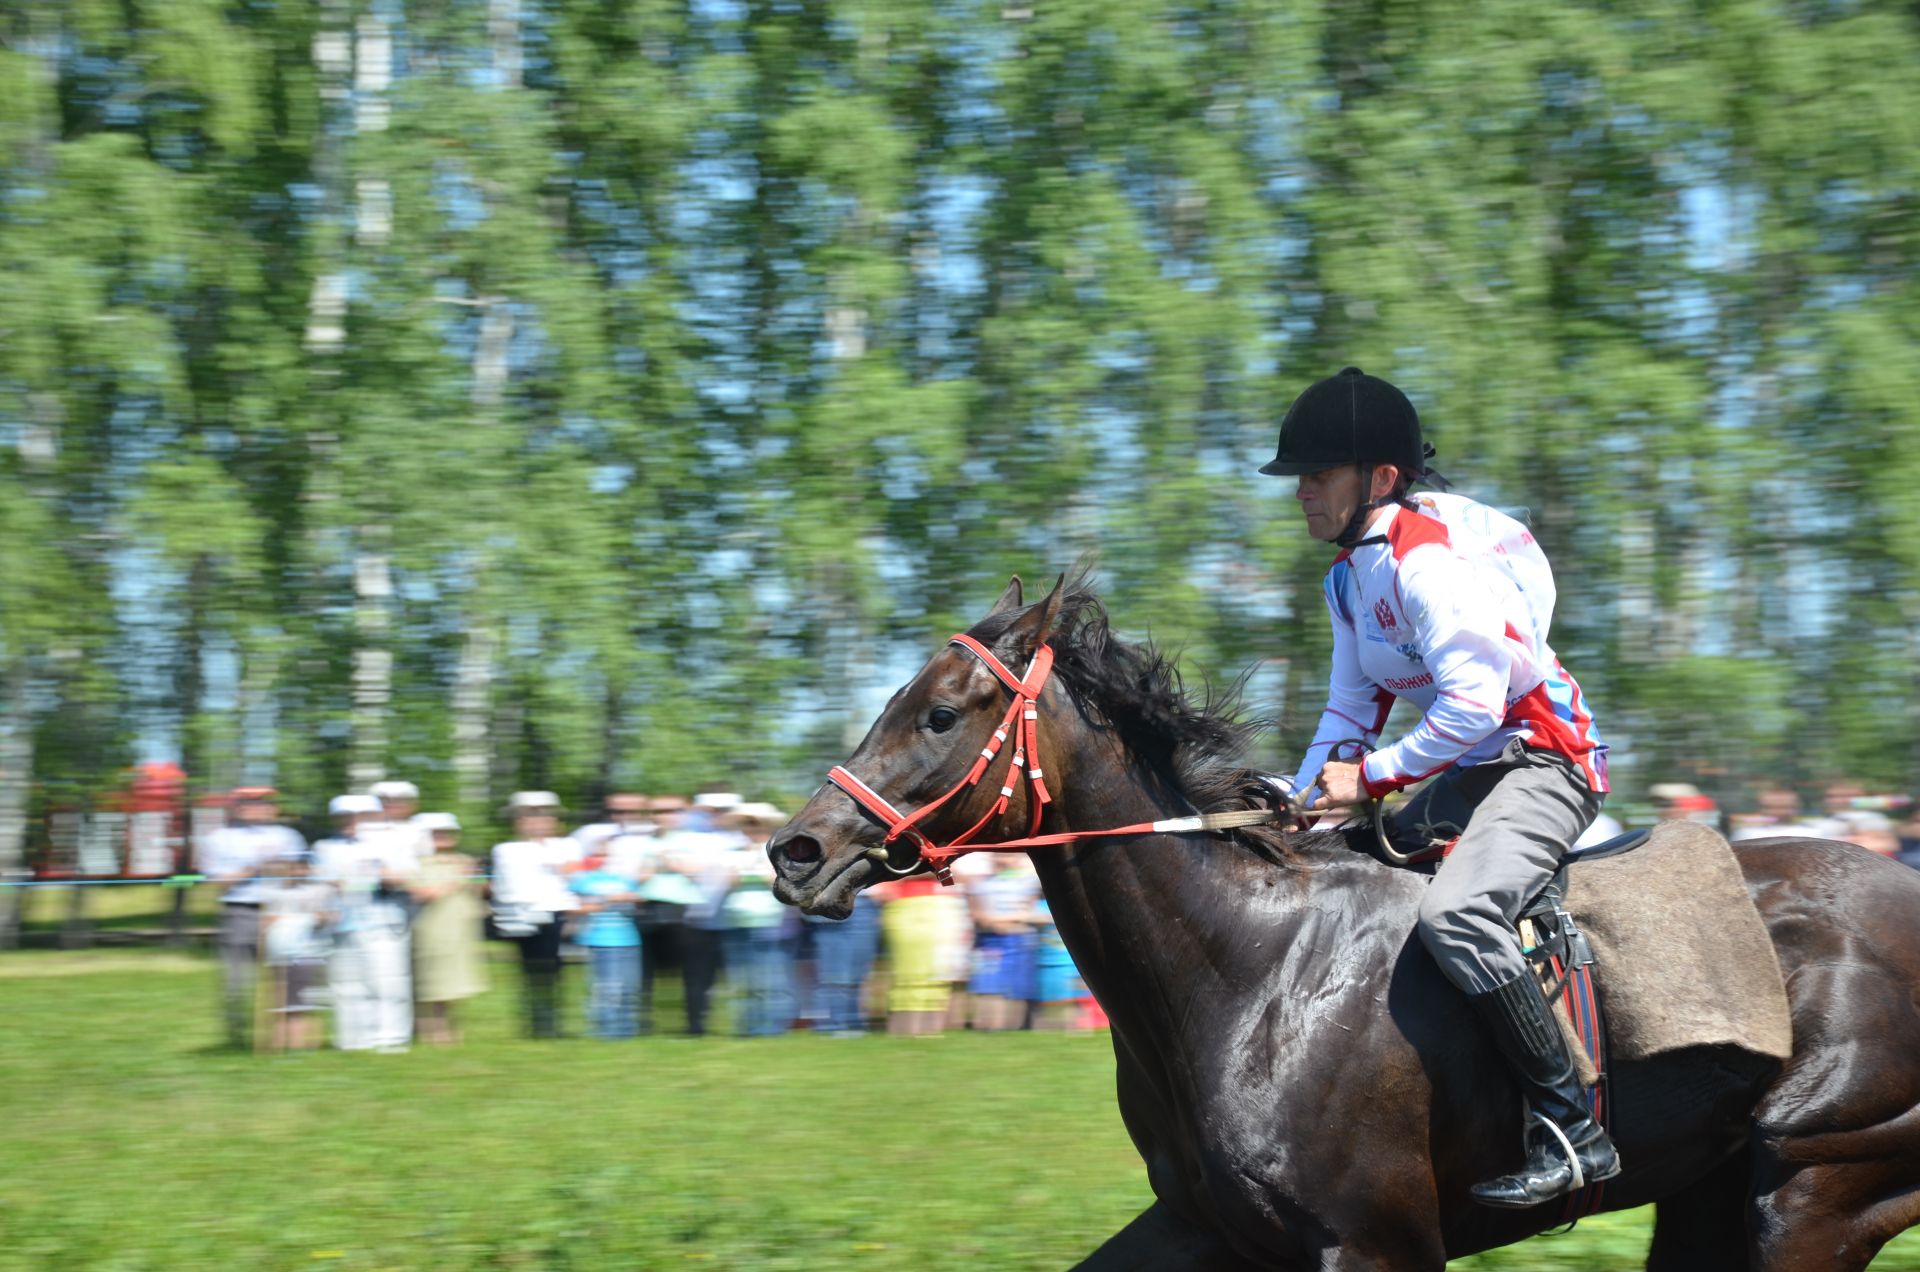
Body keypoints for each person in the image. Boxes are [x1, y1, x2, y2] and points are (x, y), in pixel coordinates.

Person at [1261, 365, 1614, 1208]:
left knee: (1457, 912)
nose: (1302, 492)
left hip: (1547, 762)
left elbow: (1474, 707)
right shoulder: (1350, 579)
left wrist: (1373, 776)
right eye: (1299, 477)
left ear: (1379, 478)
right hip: (1469, 771)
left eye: (1317, 474)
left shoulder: (1428, 566)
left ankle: (1573, 1130)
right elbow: (1351, 709)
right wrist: (1305, 800)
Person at [198, 786, 307, 1048]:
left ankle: (284, 1037)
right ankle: (236, 1035)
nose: (255, 807)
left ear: (274, 807)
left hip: (283, 911)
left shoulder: (289, 836)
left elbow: (304, 873)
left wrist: (284, 868)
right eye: (247, 802)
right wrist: (253, 868)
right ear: (236, 807)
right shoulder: (219, 838)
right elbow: (216, 882)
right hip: (240, 911)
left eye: (263, 802)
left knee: (285, 978)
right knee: (236, 982)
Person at [313, 793, 416, 1052]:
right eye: (344, 817)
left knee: (387, 982)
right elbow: (319, 883)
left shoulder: (393, 842)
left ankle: (390, 1039)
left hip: (383, 921)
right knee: (346, 984)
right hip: (341, 923)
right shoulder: (325, 847)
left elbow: (409, 877)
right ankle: (352, 1040)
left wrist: (380, 873)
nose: (351, 822)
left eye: (360, 816)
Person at [489, 791, 581, 1039]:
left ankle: (549, 1022)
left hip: (558, 913)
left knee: (553, 970)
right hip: (524, 915)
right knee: (533, 970)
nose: (537, 822)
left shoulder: (567, 845)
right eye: (529, 816)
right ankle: (539, 1024)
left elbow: (573, 873)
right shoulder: (507, 849)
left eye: (544, 816)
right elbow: (510, 887)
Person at [658, 794, 746, 1036]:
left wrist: (704, 870)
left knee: (737, 976)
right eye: (712, 810)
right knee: (696, 978)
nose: (717, 815)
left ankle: (743, 1025)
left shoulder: (739, 839)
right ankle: (695, 1026)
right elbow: (670, 860)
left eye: (723, 810)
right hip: (694, 920)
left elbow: (737, 874)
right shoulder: (687, 837)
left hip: (731, 920)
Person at [718, 804, 798, 1037]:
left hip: (771, 921)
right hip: (738, 920)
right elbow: (724, 882)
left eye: (756, 823)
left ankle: (772, 1028)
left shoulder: (782, 852)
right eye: (747, 824)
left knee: (771, 979)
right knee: (744, 979)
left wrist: (760, 875)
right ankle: (748, 1027)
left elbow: (787, 884)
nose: (751, 829)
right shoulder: (734, 852)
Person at [408, 812, 488, 1045]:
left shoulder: (463, 859)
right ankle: (431, 1034)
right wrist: (458, 879)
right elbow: (424, 894)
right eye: (436, 833)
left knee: (452, 986)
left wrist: (476, 876)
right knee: (430, 986)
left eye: (447, 832)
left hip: (459, 933)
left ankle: (450, 1032)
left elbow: (482, 891)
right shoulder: (415, 862)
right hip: (430, 931)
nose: (443, 837)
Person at [569, 826, 648, 1039]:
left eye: (610, 852)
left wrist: (632, 896)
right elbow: (575, 907)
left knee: (629, 988)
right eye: (601, 852)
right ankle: (605, 1030)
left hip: (629, 940)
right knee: (606, 989)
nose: (606, 856)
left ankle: (626, 1030)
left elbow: (639, 899)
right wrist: (608, 900)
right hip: (600, 941)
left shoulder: (625, 878)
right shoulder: (585, 879)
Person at [258, 854, 333, 1052]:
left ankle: (300, 1045)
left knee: (299, 1004)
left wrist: (316, 917)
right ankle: (278, 1044)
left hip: (304, 952)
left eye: (302, 868)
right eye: (293, 868)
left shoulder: (319, 890)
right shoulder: (275, 892)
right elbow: (267, 920)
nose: (297, 872)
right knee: (279, 1002)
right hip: (278, 954)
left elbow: (326, 915)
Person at [963, 854, 1042, 1031]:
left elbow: (1029, 910)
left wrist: (1005, 922)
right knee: (990, 988)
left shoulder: (1027, 882)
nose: (1005, 860)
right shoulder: (981, 884)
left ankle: (1015, 1029)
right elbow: (978, 914)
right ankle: (989, 1028)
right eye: (1000, 856)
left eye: (1009, 856)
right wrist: (1001, 923)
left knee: (1018, 989)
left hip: (1018, 940)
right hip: (989, 941)